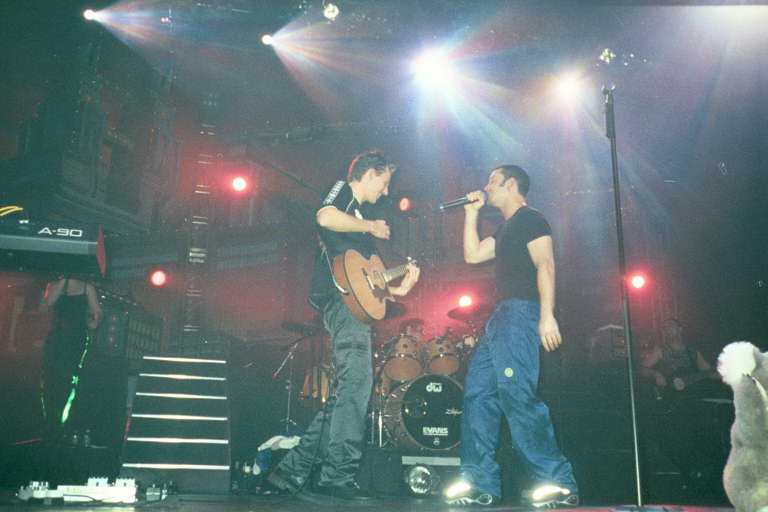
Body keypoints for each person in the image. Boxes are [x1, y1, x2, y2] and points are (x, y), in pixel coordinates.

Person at [268, 150, 420, 500]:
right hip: (340, 303)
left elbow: (371, 286)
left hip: (353, 307)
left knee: (349, 391)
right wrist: (370, 226)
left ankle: (291, 471)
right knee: (356, 387)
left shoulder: (359, 226)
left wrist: (401, 288)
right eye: (384, 183)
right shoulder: (343, 192)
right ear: (370, 173)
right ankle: (336, 474)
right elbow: (324, 216)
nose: (385, 192)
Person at [444, 165, 578, 507]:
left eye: (493, 180)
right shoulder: (505, 229)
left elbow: (545, 264)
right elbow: (472, 255)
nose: (486, 186)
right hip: (500, 318)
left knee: (517, 395)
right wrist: (471, 214)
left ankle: (557, 481)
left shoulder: (531, 219)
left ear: (511, 184)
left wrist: (547, 315)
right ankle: (480, 483)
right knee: (477, 394)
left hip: (521, 313)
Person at [41, 277, 102, 440]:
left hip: (75, 340)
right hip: (57, 338)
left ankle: (61, 424)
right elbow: (48, 303)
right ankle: (49, 422)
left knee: (68, 379)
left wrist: (94, 321)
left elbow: (96, 312)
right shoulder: (54, 285)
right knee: (50, 380)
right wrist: (62, 283)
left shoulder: (87, 287)